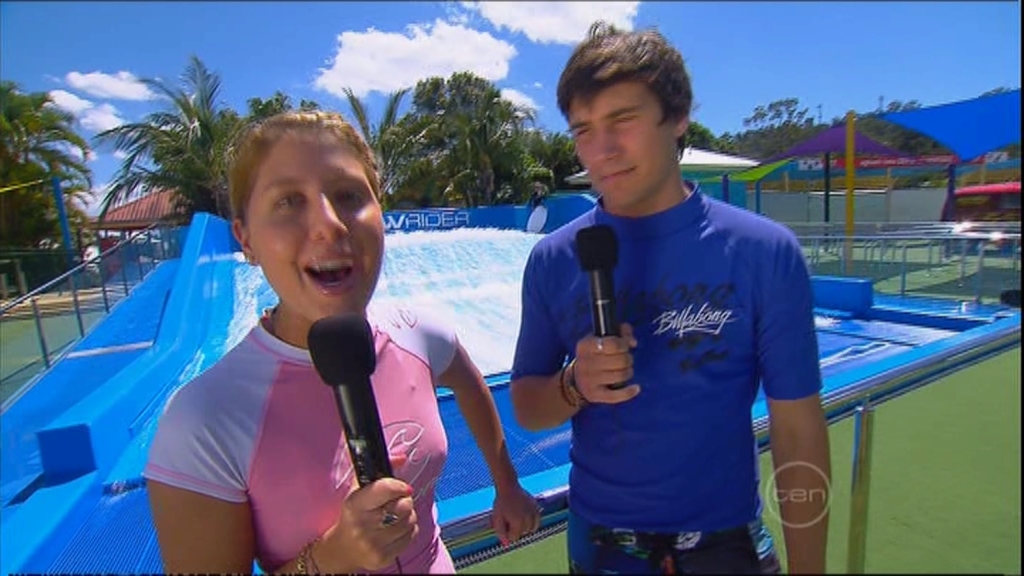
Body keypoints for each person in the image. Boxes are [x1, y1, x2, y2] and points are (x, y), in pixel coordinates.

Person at [143, 110, 540, 575]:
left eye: (349, 195)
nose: (329, 224)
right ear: (245, 238)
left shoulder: (417, 333)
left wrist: (506, 483)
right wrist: (333, 557)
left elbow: (469, 381)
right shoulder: (203, 419)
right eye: (289, 201)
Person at [509, 22, 831, 575]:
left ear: (678, 117)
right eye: (583, 129)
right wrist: (575, 383)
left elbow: (797, 430)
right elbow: (527, 407)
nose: (602, 150)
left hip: (726, 544)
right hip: (601, 546)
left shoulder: (763, 252)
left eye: (622, 120)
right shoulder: (552, 259)